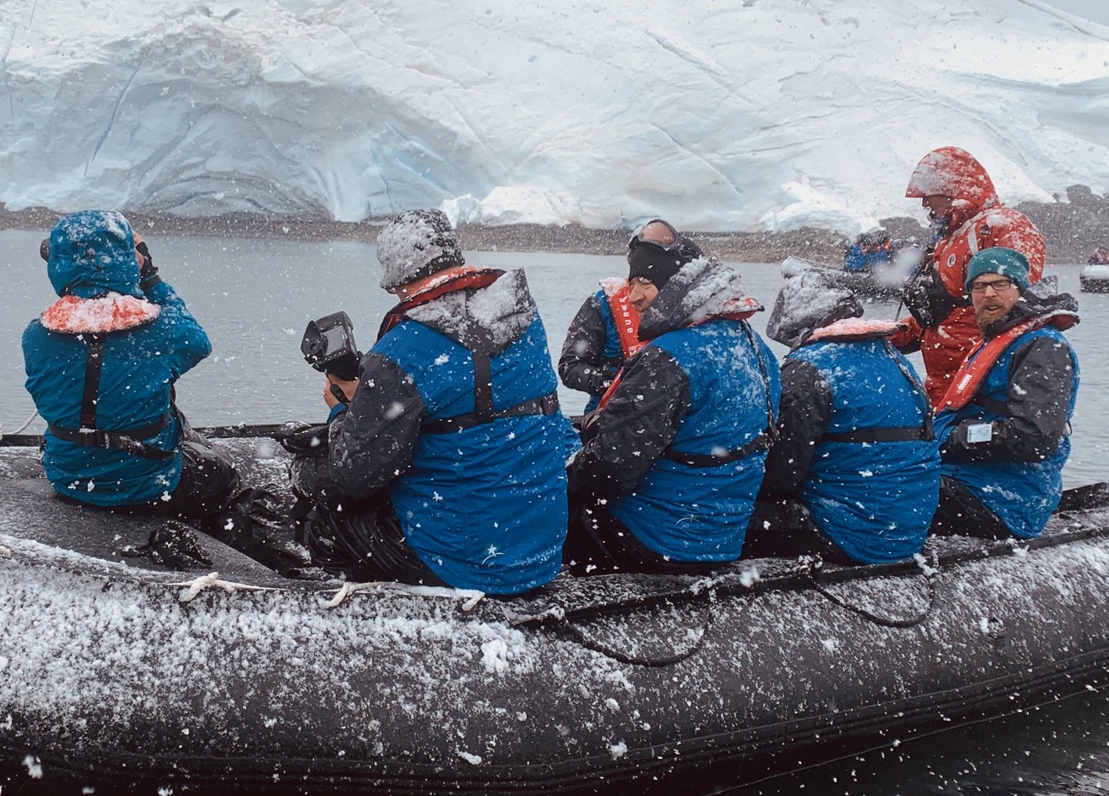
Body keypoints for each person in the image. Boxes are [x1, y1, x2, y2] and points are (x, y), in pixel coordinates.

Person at [292, 208, 577, 593]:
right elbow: (471, 393)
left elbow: (355, 475)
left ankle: (366, 606)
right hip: (536, 553)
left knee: (320, 493)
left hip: (461, 564)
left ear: (394, 276)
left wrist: (343, 411)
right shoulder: (523, 320)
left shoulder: (401, 352)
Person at [22, 210, 302, 568]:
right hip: (149, 484)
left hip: (68, 477)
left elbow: (89, 350)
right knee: (220, 475)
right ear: (127, 261)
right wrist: (149, 275)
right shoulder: (161, 329)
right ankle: (261, 561)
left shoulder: (36, 335)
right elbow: (198, 342)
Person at [566, 251, 779, 572]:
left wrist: (562, 483)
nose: (632, 296)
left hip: (654, 538)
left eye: (645, 284)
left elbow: (610, 469)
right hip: (722, 537)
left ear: (675, 289)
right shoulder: (756, 346)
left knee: (554, 504)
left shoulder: (669, 359)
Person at [748, 270, 938, 564]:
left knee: (719, 520)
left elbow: (780, 475)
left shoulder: (809, 370)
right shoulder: (892, 357)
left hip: (851, 530)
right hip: (907, 526)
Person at [931, 247, 1080, 541]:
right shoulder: (997, 340)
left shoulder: (1043, 348)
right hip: (969, 478)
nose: (988, 294)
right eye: (979, 286)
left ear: (1020, 290)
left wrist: (954, 438)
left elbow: (1035, 437)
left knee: (887, 492)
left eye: (1000, 284)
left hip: (1005, 497)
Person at [894, 147, 1046, 403]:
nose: (924, 203)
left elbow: (1012, 304)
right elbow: (941, 315)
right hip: (947, 388)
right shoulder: (949, 240)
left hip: (981, 388)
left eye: (929, 195)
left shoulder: (1000, 227)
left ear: (954, 191)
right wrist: (881, 334)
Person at [558, 220, 700, 410]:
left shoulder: (694, 310)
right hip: (609, 416)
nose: (636, 295)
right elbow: (570, 366)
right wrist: (610, 382)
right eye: (637, 281)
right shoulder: (603, 305)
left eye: (646, 283)